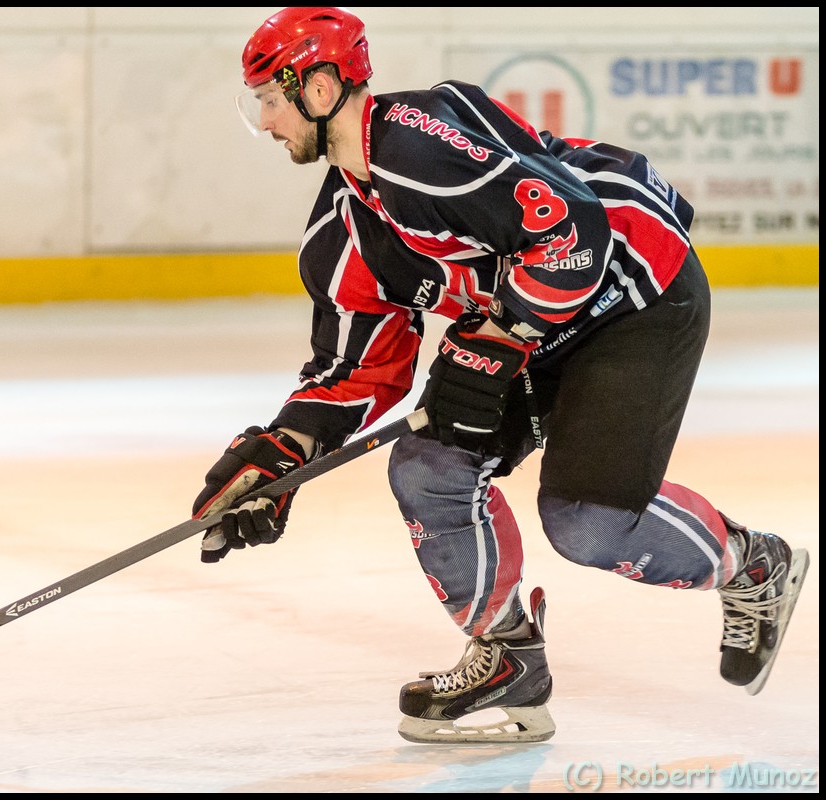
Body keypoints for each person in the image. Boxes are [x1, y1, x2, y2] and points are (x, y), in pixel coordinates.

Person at [189, 6, 810, 744]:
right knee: (426, 470)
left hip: (633, 296)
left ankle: (753, 564)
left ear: (319, 89)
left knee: (588, 525)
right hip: (533, 331)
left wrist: (499, 331)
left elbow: (574, 229)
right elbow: (357, 366)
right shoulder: (343, 233)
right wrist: (282, 450)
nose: (263, 121)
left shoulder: (417, 145)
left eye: (268, 97)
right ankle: (507, 657)